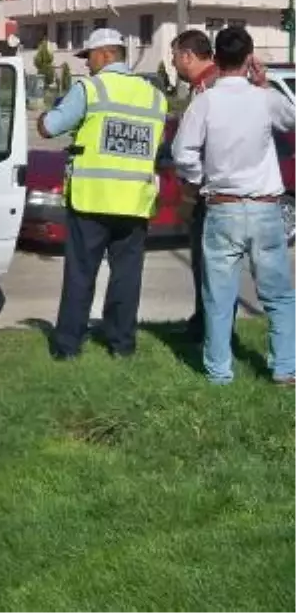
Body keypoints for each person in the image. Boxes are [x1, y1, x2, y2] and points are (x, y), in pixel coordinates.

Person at [172, 26, 296, 386]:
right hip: (264, 207)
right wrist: (265, 82)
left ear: (216, 57)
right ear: (249, 58)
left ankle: (219, 371)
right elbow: (292, 118)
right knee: (278, 294)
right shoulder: (264, 98)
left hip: (222, 206)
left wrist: (201, 177)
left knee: (218, 296)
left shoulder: (205, 101)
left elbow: (183, 153)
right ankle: (285, 367)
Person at [37, 28, 167, 360]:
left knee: (81, 274)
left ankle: (68, 347)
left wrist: (43, 117)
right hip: (134, 202)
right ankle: (122, 345)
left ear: (106, 54)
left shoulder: (91, 89)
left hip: (92, 200)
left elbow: (50, 127)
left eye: (89, 57)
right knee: (127, 277)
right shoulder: (155, 96)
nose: (86, 64)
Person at [170, 30, 220, 342]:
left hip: (209, 192)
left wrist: (189, 194)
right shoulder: (208, 84)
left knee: (207, 265)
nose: (173, 63)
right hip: (215, 189)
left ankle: (207, 328)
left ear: (188, 56)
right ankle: (204, 323)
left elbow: (196, 150)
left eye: (175, 56)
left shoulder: (208, 88)